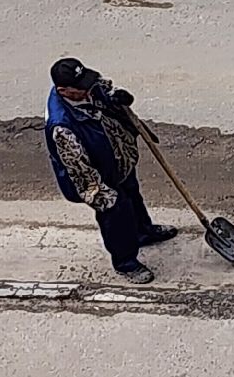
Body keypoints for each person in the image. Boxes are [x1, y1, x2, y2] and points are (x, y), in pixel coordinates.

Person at [44, 58, 177, 284]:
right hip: (98, 177)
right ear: (63, 91)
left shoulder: (84, 85)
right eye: (81, 88)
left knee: (132, 195)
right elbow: (81, 172)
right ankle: (126, 263)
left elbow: (103, 88)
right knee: (117, 216)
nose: (88, 90)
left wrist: (118, 98)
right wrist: (104, 198)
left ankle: (143, 232)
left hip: (117, 158)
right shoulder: (62, 127)